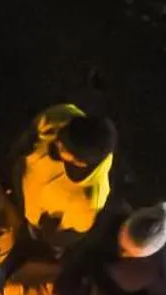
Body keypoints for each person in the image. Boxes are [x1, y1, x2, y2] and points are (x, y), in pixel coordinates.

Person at [16, 104, 116, 248]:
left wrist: (49, 233)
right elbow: (36, 126)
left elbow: (73, 231)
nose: (56, 141)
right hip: (21, 183)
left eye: (64, 147)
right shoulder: (62, 116)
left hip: (35, 219)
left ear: (80, 162)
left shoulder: (89, 198)